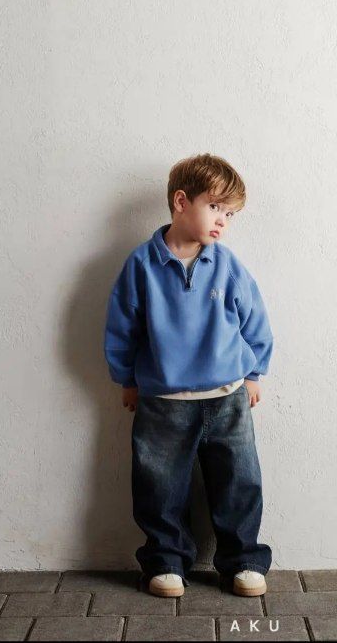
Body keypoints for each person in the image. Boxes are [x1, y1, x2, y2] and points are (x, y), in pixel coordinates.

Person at [103, 152, 274, 598]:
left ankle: (242, 561)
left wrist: (254, 372)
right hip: (163, 401)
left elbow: (254, 320)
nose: (222, 221)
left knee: (238, 482)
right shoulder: (141, 266)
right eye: (215, 207)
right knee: (158, 487)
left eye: (230, 214)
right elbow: (122, 328)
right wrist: (127, 379)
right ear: (181, 202)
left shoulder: (227, 265)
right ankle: (165, 561)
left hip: (228, 396)